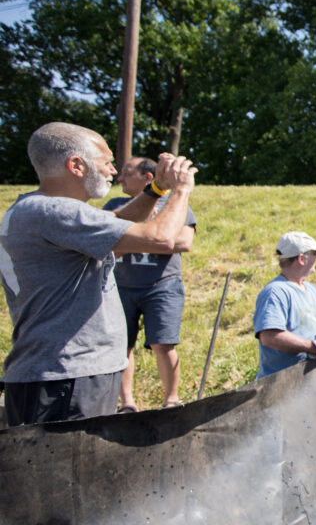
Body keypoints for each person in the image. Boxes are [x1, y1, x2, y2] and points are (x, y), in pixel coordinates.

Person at [0, 122, 197, 426]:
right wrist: (181, 189)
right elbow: (162, 238)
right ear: (77, 165)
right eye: (106, 162)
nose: (113, 171)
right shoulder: (57, 212)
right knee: (69, 460)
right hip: (67, 378)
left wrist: (156, 189)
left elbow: (116, 220)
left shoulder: (36, 209)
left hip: (62, 375)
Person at [102, 157, 197, 411]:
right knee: (122, 345)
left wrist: (134, 236)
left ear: (148, 178)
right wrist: (153, 234)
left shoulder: (175, 205)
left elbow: (183, 242)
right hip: (120, 286)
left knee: (163, 343)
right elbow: (106, 247)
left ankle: (171, 400)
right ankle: (127, 403)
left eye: (127, 172)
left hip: (163, 285)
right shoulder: (114, 206)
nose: (120, 177)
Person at [253, 231, 316, 379]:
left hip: (314, 378)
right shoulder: (275, 292)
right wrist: (315, 348)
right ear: (301, 258)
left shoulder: (313, 290)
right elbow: (270, 337)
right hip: (284, 384)